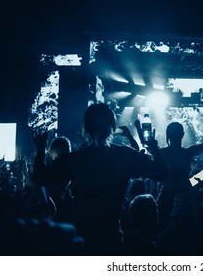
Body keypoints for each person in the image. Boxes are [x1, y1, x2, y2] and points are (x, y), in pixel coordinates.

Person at [32, 102, 169, 255]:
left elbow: (40, 177)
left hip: (80, 237)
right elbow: (163, 174)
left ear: (86, 128)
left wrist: (40, 148)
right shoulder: (125, 156)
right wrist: (153, 147)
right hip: (110, 238)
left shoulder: (73, 159)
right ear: (112, 125)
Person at [157, 119, 203, 227]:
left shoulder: (162, 152)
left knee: (163, 227)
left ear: (167, 135)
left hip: (166, 197)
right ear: (182, 134)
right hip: (185, 198)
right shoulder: (188, 152)